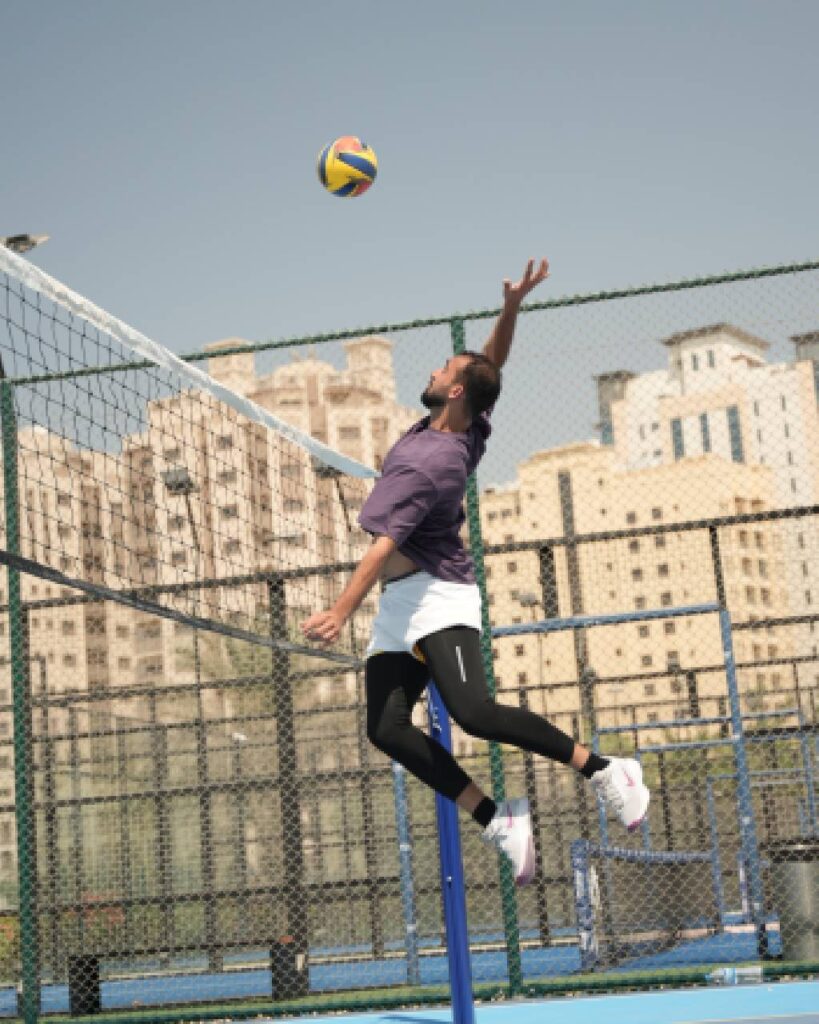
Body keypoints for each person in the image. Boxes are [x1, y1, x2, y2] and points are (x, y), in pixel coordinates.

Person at [301, 259, 650, 886]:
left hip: (438, 594)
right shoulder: (464, 425)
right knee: (386, 729)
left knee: (475, 714)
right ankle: (496, 819)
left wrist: (339, 611)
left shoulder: (430, 463)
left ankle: (605, 770)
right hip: (401, 604)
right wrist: (511, 309)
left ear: (456, 392)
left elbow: (382, 546)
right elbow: (491, 365)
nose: (433, 371)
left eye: (443, 369)